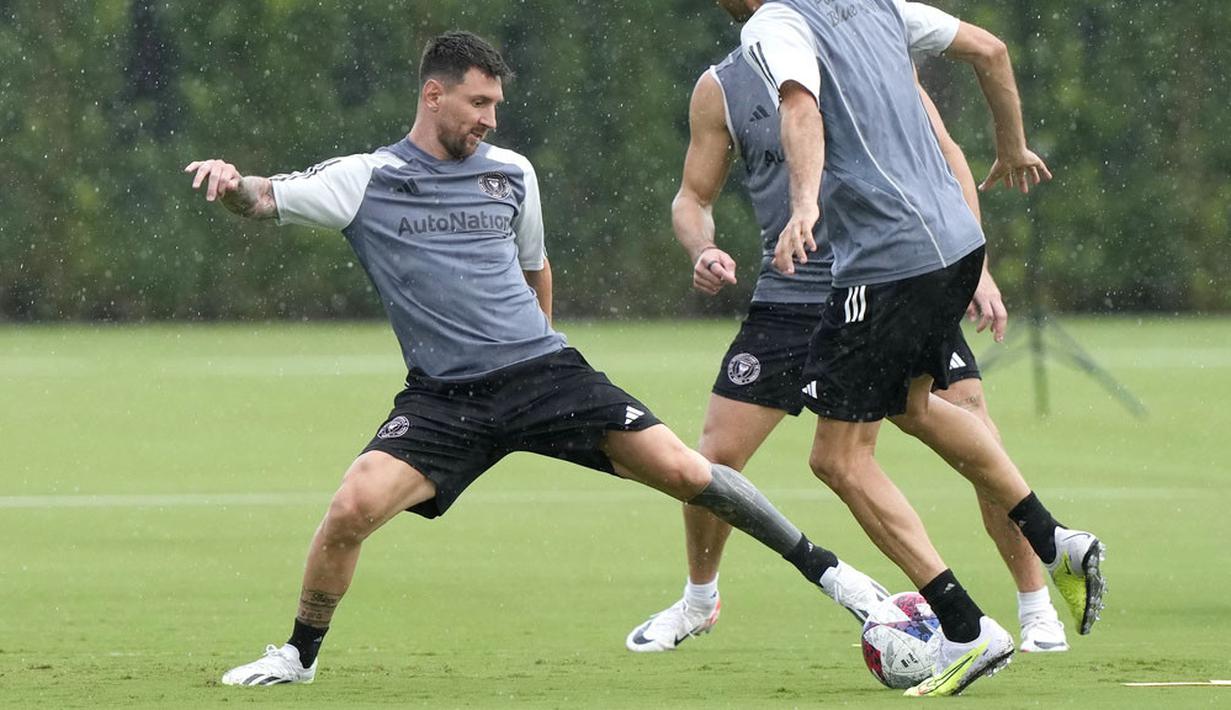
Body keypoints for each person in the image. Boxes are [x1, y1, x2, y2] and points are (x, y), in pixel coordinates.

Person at [184, 30, 889, 688]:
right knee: (351, 508)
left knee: (687, 471)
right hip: (445, 399)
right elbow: (263, 197)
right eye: (478, 103)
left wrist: (540, 357)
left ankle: (840, 580)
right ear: (433, 95)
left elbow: (535, 268)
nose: (490, 119)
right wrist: (229, 182)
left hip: (544, 376)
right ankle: (298, 656)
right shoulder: (365, 178)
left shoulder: (512, 174)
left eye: (496, 104)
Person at [628, 4, 1070, 657]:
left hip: (890, 278)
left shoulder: (860, 39)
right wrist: (702, 247)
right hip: (793, 293)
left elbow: (944, 153)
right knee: (711, 459)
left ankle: (1035, 606)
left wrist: (977, 268)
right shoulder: (721, 85)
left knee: (970, 426)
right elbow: (692, 198)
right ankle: (699, 600)